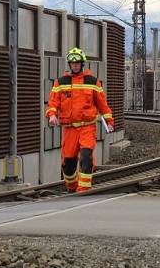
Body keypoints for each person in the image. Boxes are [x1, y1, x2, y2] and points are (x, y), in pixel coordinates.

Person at [46, 47, 115, 193]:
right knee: (68, 163)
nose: (75, 65)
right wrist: (52, 115)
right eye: (72, 63)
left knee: (86, 157)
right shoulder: (60, 82)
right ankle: (71, 187)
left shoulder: (93, 82)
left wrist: (109, 122)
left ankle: (84, 189)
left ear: (82, 64)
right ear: (69, 64)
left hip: (87, 127)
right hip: (69, 129)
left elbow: (103, 105)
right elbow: (53, 102)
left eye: (77, 63)